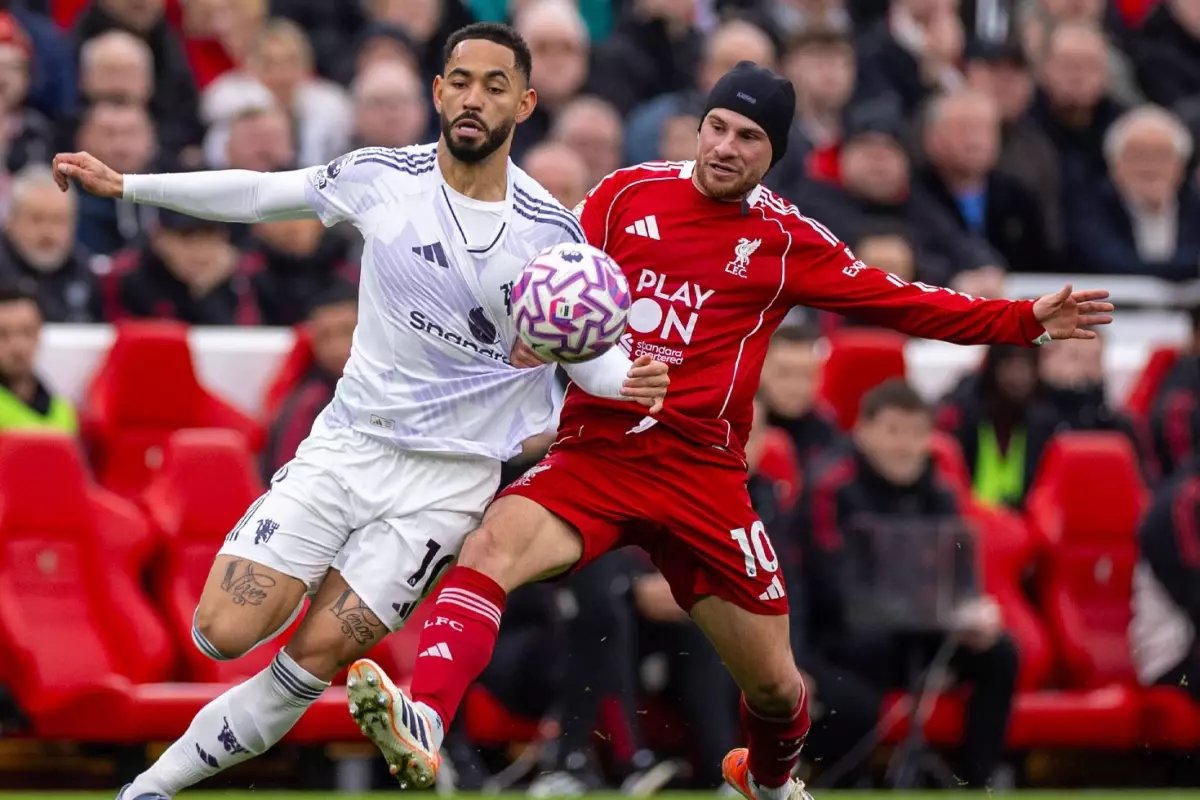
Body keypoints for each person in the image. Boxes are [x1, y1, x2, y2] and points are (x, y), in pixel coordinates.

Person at [346, 61, 1114, 800]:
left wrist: (1023, 322)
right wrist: (519, 325)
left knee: (779, 690)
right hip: (598, 453)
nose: (723, 146)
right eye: (716, 126)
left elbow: (900, 301)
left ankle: (770, 781)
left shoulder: (785, 242)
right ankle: (427, 719)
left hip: (701, 479)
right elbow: (542, 280)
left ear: (772, 155)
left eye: (747, 137)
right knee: (489, 546)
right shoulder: (622, 195)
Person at [52, 22, 669, 800]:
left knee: (308, 664)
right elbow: (258, 192)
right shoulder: (383, 175)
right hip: (348, 450)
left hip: (446, 490)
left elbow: (592, 357)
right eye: (462, 81)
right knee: (223, 630)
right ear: (439, 92)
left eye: (495, 85)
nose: (475, 98)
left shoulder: (552, 237)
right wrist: (131, 186)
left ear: (526, 102)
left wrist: (628, 382)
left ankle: (149, 790)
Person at [0, 280, 77, 433]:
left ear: (39, 334)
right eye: (3, 335)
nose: (17, 347)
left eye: (27, 332)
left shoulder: (63, 412)